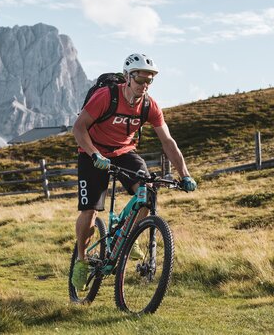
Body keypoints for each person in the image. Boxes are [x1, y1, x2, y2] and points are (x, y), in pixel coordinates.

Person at [71, 53, 196, 290]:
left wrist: (185, 174)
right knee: (90, 210)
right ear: (128, 77)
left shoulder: (149, 105)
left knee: (147, 194)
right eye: (140, 80)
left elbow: (168, 142)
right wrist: (94, 154)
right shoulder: (106, 97)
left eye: (149, 81)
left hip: (124, 153)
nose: (144, 85)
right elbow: (79, 128)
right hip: (92, 153)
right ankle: (81, 260)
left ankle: (127, 237)